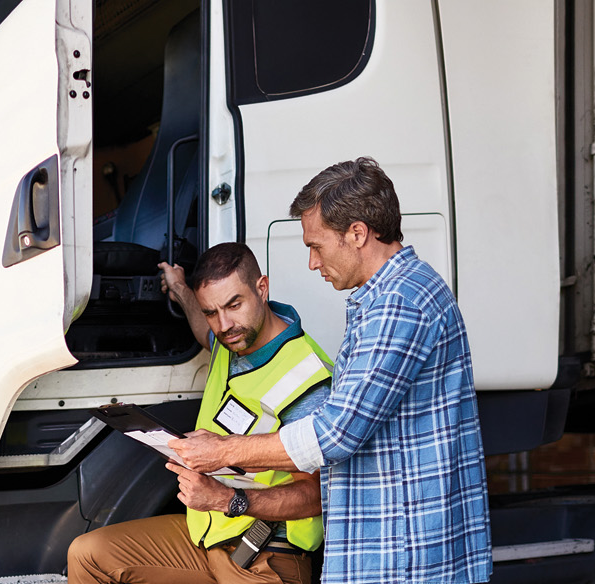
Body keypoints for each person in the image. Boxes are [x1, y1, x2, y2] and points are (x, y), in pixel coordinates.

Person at [167, 157, 491, 584]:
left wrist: (221, 451)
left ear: (357, 233)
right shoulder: (388, 297)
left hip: (404, 554)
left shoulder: (399, 305)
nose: (312, 263)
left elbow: (335, 434)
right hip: (391, 546)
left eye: (315, 246)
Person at [66, 242, 332, 584]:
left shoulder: (306, 378)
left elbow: (316, 497)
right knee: (87, 555)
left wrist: (227, 499)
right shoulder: (231, 338)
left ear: (262, 288)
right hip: (208, 538)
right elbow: (203, 331)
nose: (224, 324)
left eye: (234, 305)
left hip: (267, 555)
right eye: (212, 311)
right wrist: (180, 289)